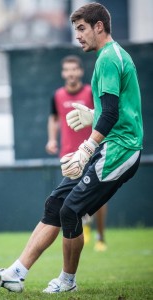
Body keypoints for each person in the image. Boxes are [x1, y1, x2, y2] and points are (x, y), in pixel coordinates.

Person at [1, 2, 143, 293]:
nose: (77, 36)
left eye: (81, 29)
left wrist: (86, 148)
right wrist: (94, 116)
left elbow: (113, 113)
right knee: (56, 204)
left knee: (70, 211)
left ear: (98, 27)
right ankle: (16, 273)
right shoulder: (110, 56)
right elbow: (117, 109)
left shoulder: (108, 58)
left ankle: (67, 281)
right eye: (75, 29)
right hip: (112, 144)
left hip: (121, 150)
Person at [45, 55, 107, 250]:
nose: (71, 73)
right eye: (67, 70)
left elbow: (103, 114)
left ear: (80, 71)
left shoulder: (90, 92)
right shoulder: (57, 95)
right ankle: (83, 227)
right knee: (70, 196)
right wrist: (52, 139)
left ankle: (101, 237)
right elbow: (53, 118)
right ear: (63, 73)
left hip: (92, 151)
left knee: (99, 196)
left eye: (74, 69)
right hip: (68, 155)